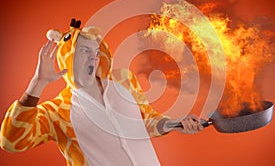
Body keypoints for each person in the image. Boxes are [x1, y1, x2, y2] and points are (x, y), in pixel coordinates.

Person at [0, 19, 203, 166]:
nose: (93, 58)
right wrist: (37, 83)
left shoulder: (125, 81)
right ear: (68, 57)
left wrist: (175, 124)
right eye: (84, 51)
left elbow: (147, 122)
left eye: (96, 52)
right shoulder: (56, 112)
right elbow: (10, 142)